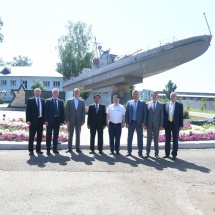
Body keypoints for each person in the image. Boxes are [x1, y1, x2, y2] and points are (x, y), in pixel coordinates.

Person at [125, 90, 147, 158]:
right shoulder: (129, 102)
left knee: (140, 138)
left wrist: (144, 122)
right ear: (132, 95)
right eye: (134, 94)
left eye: (136, 94)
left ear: (138, 95)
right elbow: (127, 113)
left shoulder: (142, 103)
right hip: (131, 123)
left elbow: (145, 114)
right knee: (129, 138)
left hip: (139, 123)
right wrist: (127, 122)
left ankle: (140, 152)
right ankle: (129, 151)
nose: (135, 95)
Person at [163, 92, 183, 160]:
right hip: (168, 124)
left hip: (175, 125)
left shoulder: (179, 105)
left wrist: (181, 125)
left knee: (175, 140)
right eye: (171, 96)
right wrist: (163, 124)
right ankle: (167, 154)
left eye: (174, 96)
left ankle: (174, 154)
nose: (173, 97)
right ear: (170, 97)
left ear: (176, 97)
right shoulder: (166, 104)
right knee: (167, 140)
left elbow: (181, 116)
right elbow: (164, 115)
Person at [44, 88, 65, 155]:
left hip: (57, 121)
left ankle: (55, 148)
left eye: (57, 92)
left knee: (56, 135)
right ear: (52, 93)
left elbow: (62, 112)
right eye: (54, 92)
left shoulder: (61, 101)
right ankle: (48, 149)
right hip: (49, 121)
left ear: (58, 93)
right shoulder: (48, 101)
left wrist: (62, 121)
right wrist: (46, 120)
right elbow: (45, 112)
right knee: (49, 135)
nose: (55, 93)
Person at [26, 88, 45, 155]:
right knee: (32, 136)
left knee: (39, 136)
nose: (37, 93)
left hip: (40, 121)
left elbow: (44, 111)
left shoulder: (42, 100)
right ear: (34, 93)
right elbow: (28, 111)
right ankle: (31, 150)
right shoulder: (30, 100)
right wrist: (28, 120)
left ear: (40, 93)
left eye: (39, 92)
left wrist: (45, 120)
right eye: (36, 92)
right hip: (33, 121)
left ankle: (38, 149)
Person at [66, 88, 85, 153]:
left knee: (78, 135)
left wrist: (83, 120)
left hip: (79, 121)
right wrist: (67, 120)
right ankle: (69, 148)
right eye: (75, 92)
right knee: (70, 134)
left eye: (78, 92)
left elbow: (83, 112)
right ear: (73, 93)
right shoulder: (69, 101)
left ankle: (77, 148)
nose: (76, 93)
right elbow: (67, 111)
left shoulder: (82, 101)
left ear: (79, 93)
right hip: (71, 121)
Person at [145, 91, 164, 159]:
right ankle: (147, 153)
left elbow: (162, 116)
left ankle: (156, 154)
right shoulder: (147, 104)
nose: (154, 96)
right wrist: (145, 123)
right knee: (148, 139)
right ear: (151, 96)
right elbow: (146, 115)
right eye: (153, 95)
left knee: (156, 140)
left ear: (157, 96)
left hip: (157, 125)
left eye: (155, 95)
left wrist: (161, 125)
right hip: (149, 125)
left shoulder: (161, 105)